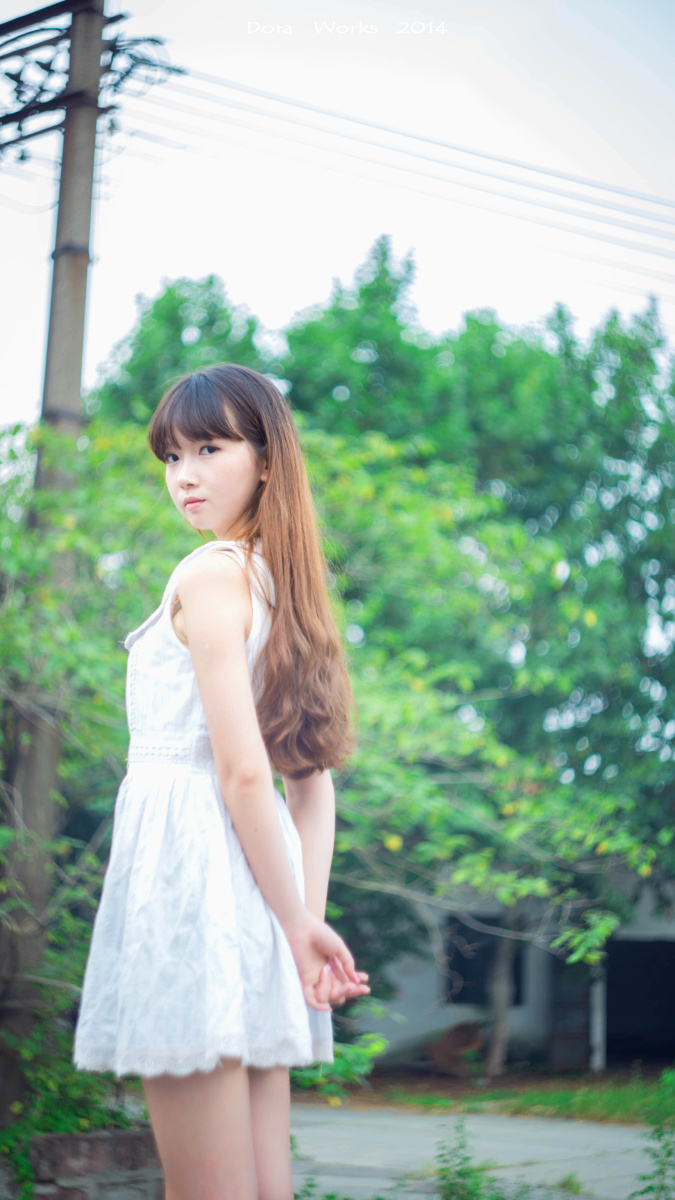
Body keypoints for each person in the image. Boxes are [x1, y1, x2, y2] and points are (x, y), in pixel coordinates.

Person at [73, 363, 370, 1200]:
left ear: (266, 459)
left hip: (192, 890)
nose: (185, 476)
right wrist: (299, 923)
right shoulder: (287, 588)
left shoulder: (211, 573)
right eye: (172, 456)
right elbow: (308, 786)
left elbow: (246, 773)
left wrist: (298, 926)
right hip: (258, 902)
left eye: (209, 448)